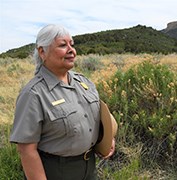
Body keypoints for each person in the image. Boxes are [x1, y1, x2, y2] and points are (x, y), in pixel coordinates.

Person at [10, 24, 115, 180]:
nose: (71, 50)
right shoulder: (33, 94)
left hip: (89, 167)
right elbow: (27, 150)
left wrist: (108, 139)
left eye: (71, 44)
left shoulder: (83, 82)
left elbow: (98, 116)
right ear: (42, 52)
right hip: (57, 171)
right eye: (62, 45)